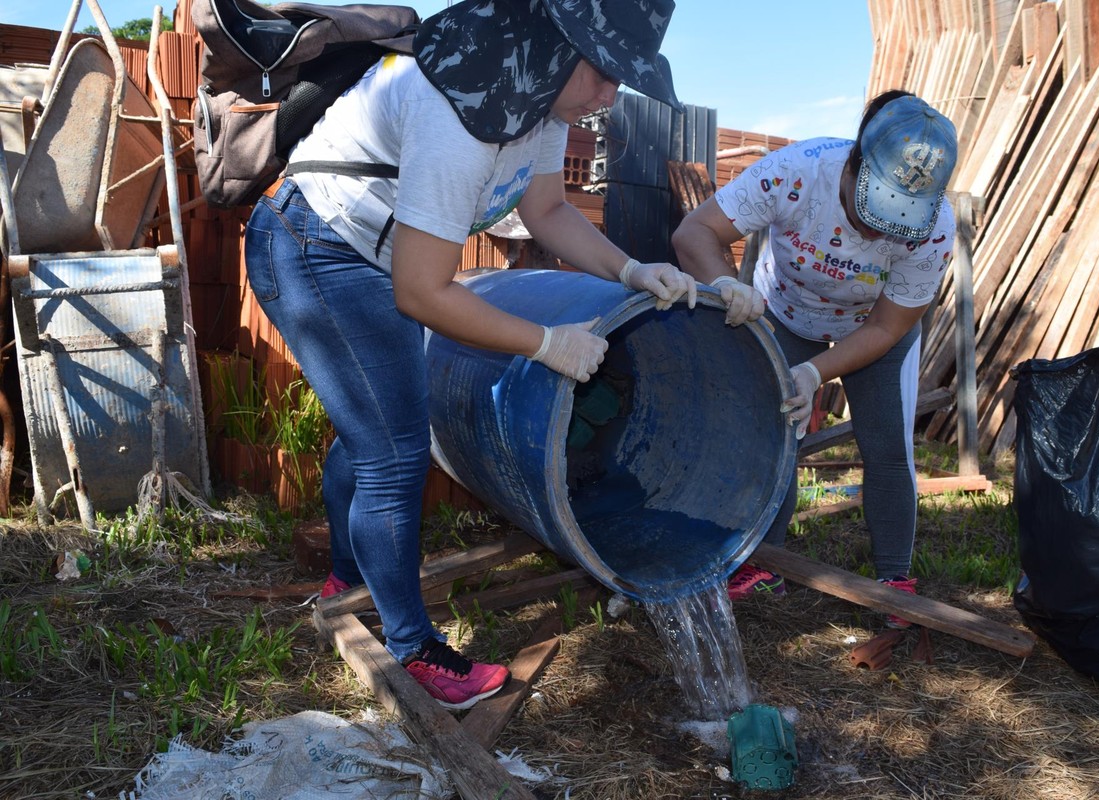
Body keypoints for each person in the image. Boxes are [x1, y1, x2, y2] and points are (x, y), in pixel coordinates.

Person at [243, 0, 696, 710]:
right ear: (558, 48)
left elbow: (547, 211)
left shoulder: (536, 99)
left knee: (373, 428)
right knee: (395, 448)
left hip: (371, 256)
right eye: (607, 73)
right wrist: (546, 343)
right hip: (314, 248)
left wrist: (632, 272)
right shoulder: (460, 112)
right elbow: (425, 293)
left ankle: (345, 579)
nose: (613, 95)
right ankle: (413, 650)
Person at [672, 91, 958, 622]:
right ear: (853, 164)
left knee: (888, 447)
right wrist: (723, 286)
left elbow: (888, 327)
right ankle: (763, 565)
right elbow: (694, 231)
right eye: (872, 211)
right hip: (783, 310)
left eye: (898, 220)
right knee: (775, 438)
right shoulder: (797, 172)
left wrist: (813, 372)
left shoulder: (936, 227)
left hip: (871, 328)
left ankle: (896, 579)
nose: (877, 232)